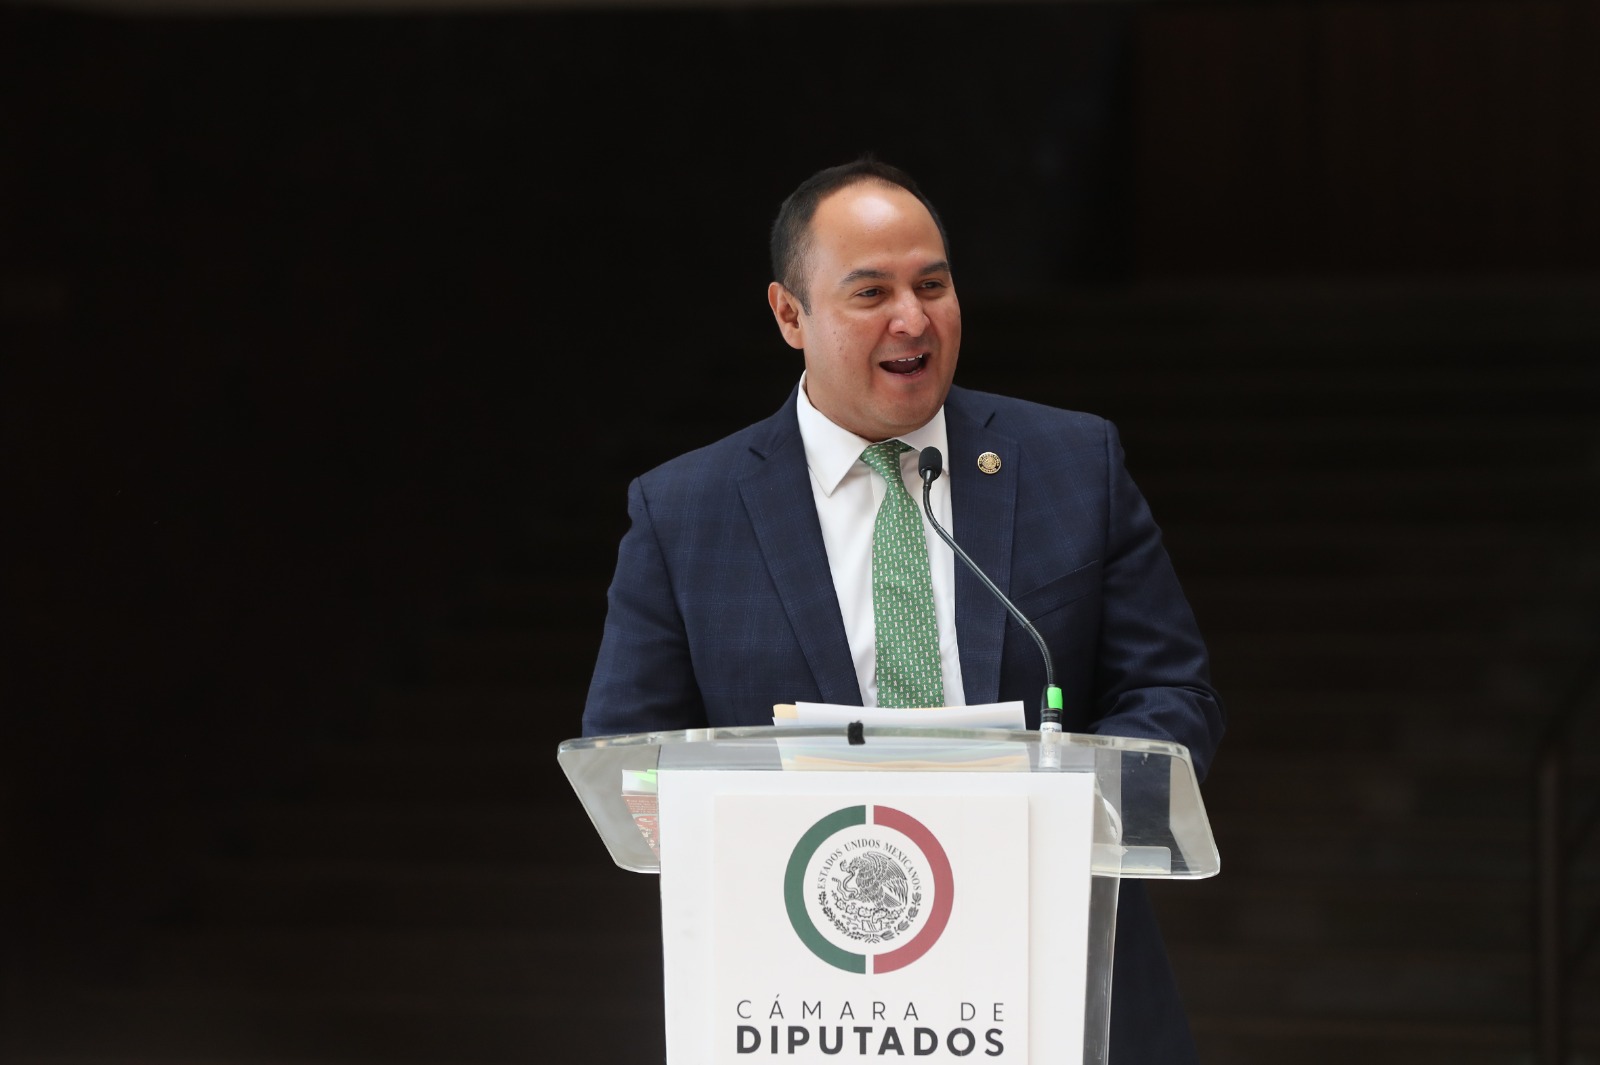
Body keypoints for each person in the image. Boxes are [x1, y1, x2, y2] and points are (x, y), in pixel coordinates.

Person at [582, 156, 1223, 1064]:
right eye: (871, 292)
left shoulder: (1073, 465)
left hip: (1055, 971)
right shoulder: (685, 510)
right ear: (790, 315)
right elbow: (629, 753)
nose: (913, 319)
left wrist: (1058, 818)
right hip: (804, 997)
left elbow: (1173, 695)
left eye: (933, 284)